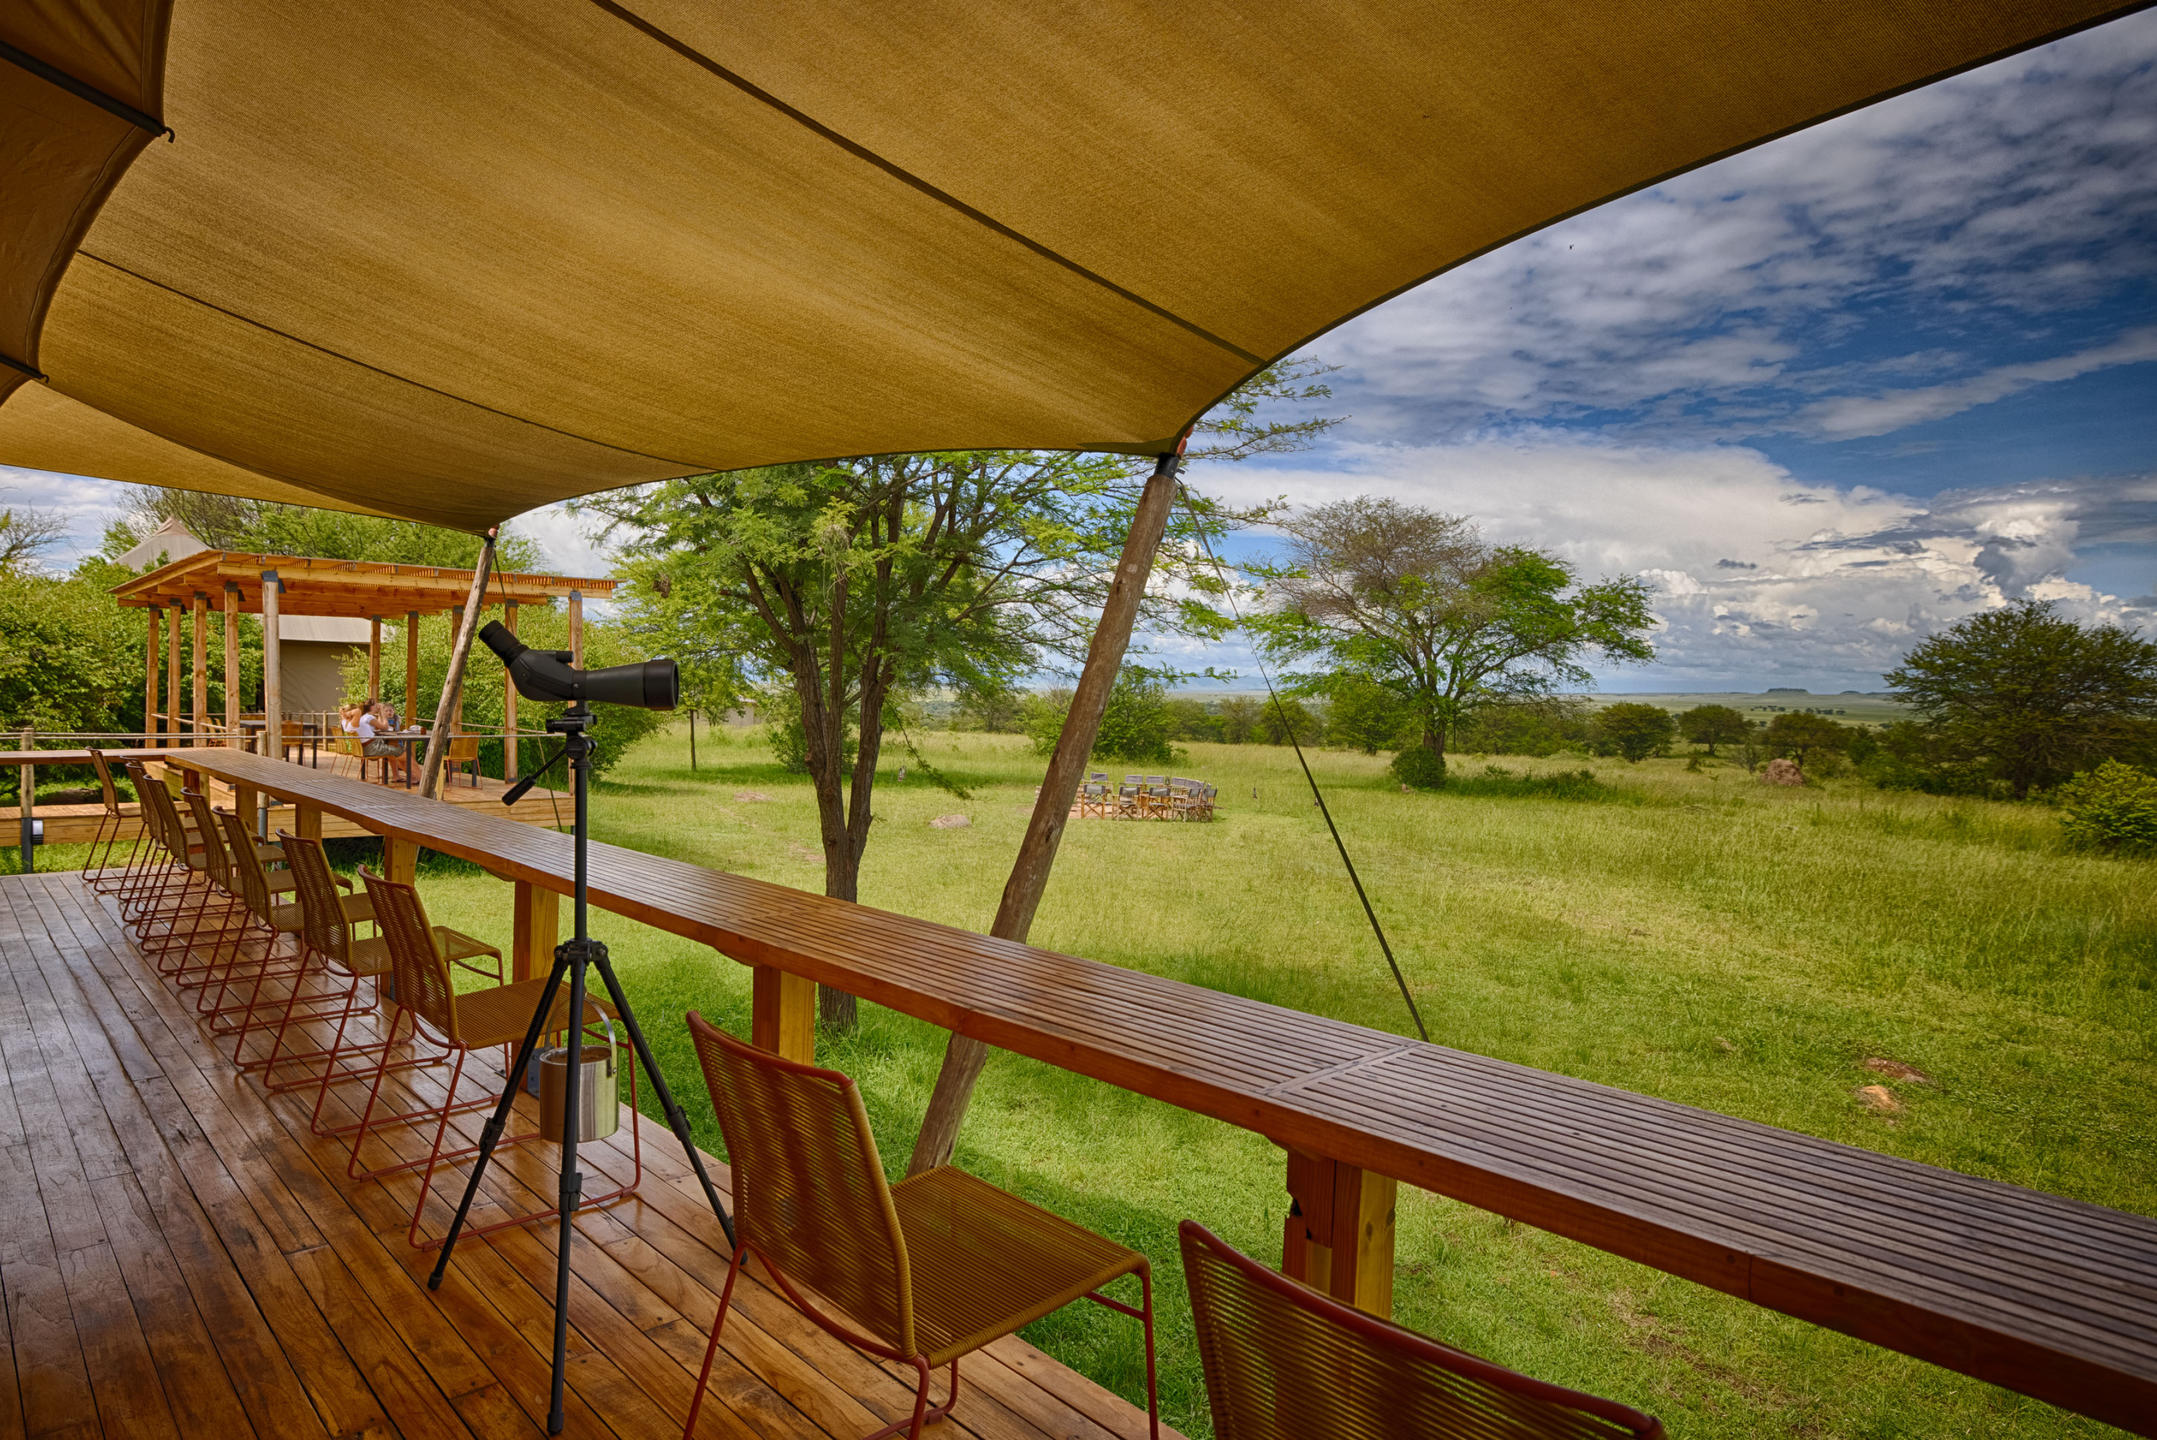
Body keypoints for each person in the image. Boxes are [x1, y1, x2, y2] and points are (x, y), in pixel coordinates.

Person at [357, 699, 410, 784]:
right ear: (371, 707)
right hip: (372, 748)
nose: (378, 706)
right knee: (403, 752)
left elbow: (378, 728)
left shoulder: (364, 717)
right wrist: (381, 712)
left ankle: (397, 776)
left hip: (369, 747)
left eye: (391, 710)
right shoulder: (369, 717)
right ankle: (412, 777)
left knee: (394, 753)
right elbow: (384, 727)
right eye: (376, 704)